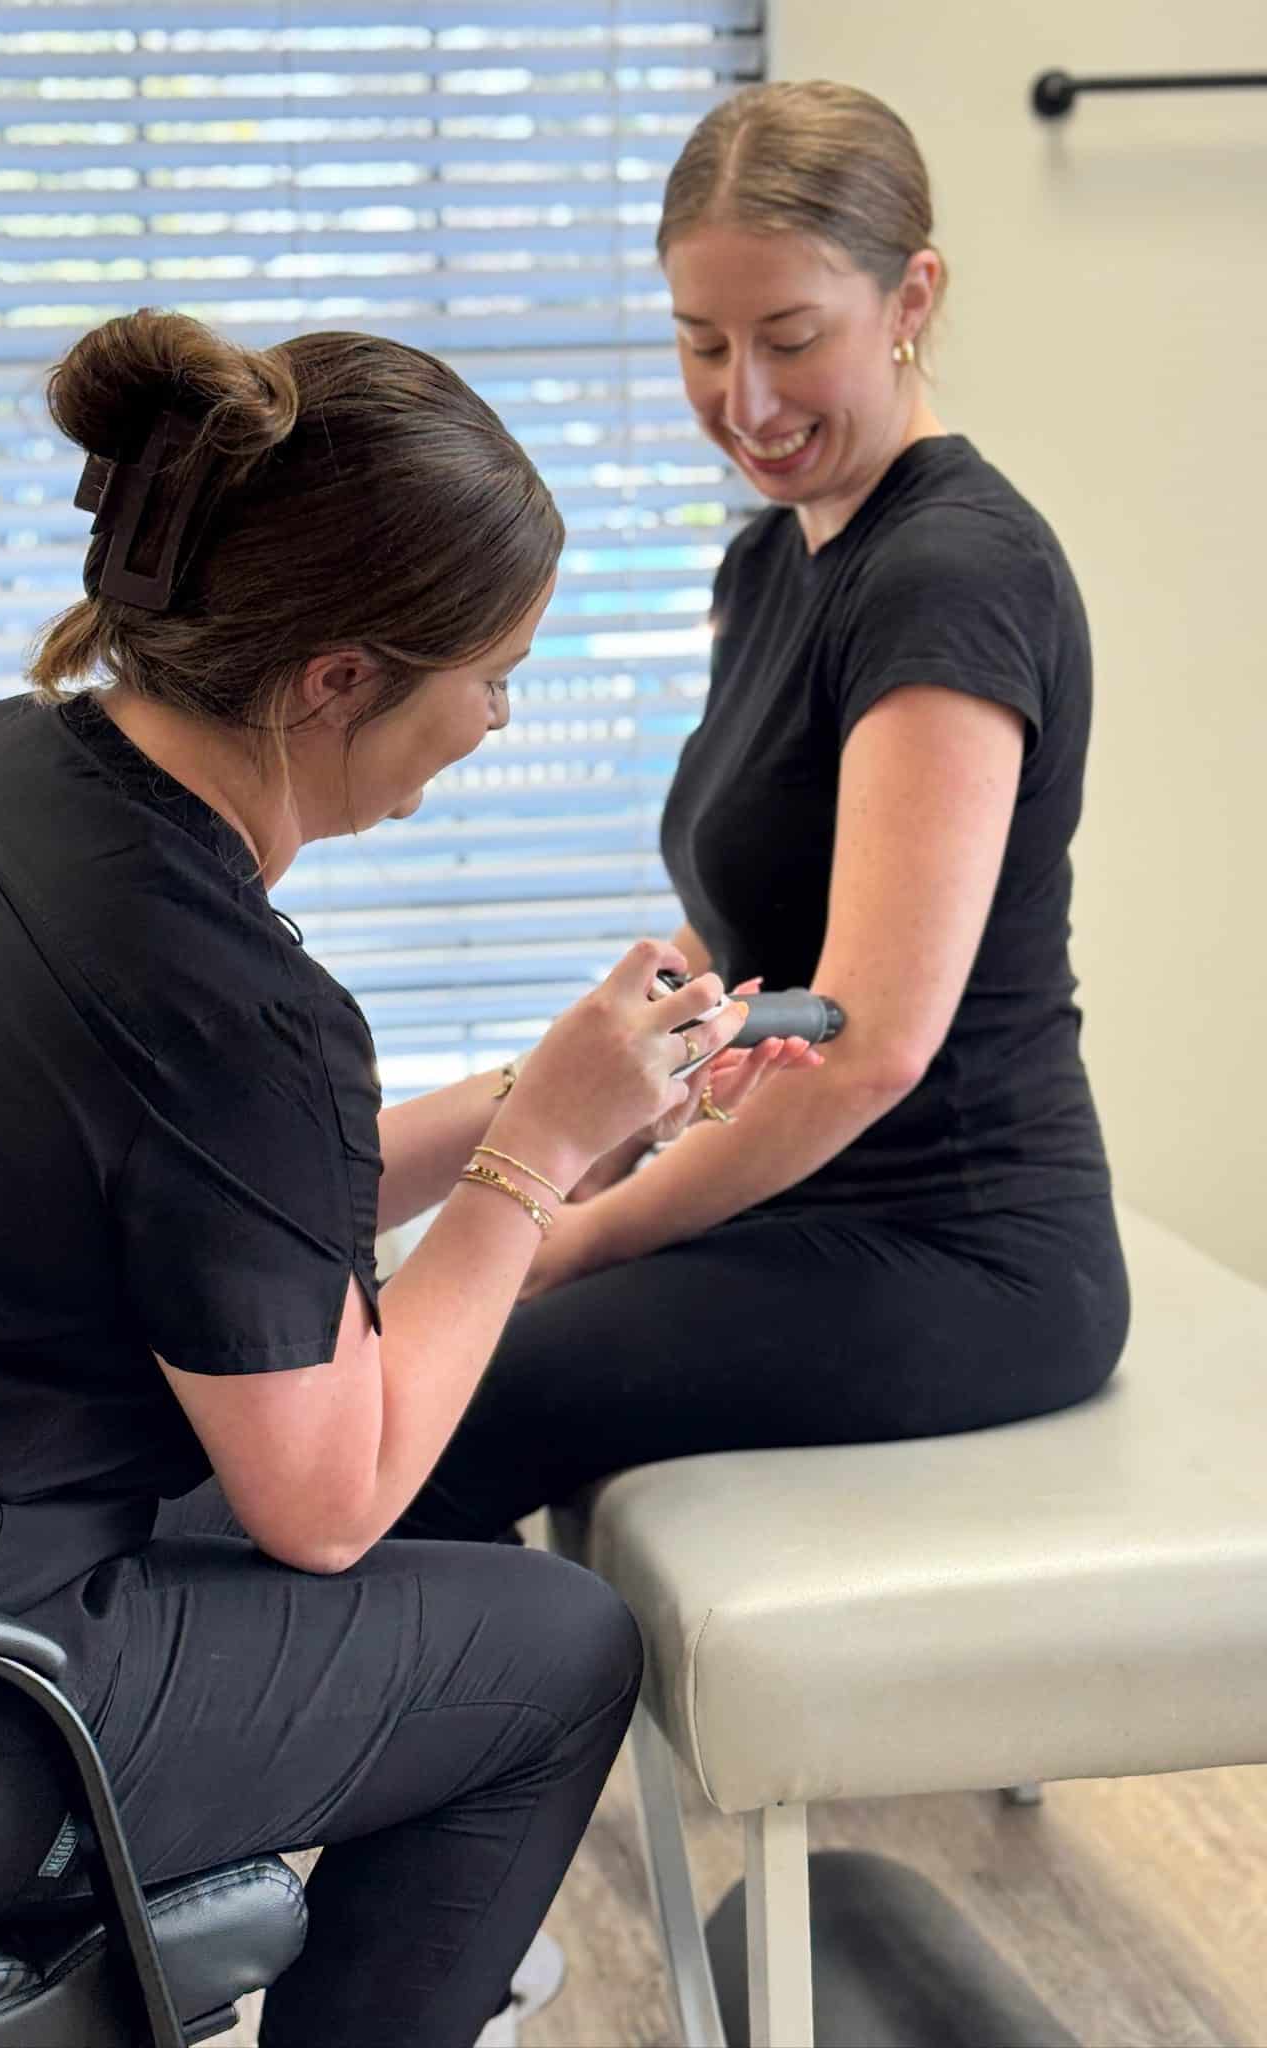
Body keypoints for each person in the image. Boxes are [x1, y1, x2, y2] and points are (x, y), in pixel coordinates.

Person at [0, 311, 814, 2047]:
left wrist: (540, 1097)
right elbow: (335, 1495)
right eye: (493, 671)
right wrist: (533, 1167)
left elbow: (184, 1191)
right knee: (553, 1655)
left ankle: (411, 1945)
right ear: (338, 681)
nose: (499, 714)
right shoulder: (225, 995)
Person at [395, 79, 1132, 1548]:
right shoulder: (770, 561)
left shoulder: (951, 575)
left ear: (911, 292)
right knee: (410, 1337)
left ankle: (425, 1757)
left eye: (792, 339)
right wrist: (582, 1115)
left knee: (444, 1391)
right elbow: (738, 923)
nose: (745, 400)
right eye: (701, 341)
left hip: (963, 1249)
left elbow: (866, 1043)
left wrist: (565, 1236)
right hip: (800, 1215)